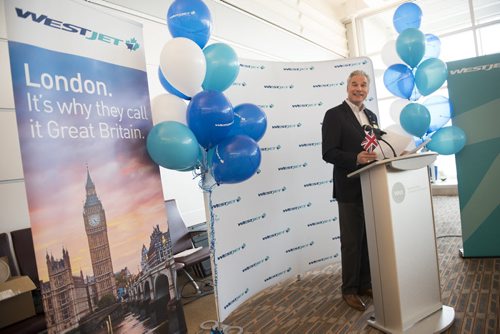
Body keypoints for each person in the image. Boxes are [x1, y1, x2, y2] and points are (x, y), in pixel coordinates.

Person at [321, 70, 378, 311]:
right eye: (355, 84)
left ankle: (365, 283)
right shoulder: (334, 115)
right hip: (349, 187)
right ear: (347, 87)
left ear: (367, 89)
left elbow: (375, 146)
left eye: (363, 85)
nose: (359, 88)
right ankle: (349, 290)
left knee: (368, 240)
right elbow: (329, 152)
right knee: (352, 242)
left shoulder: (371, 115)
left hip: (372, 185)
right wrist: (355, 158)